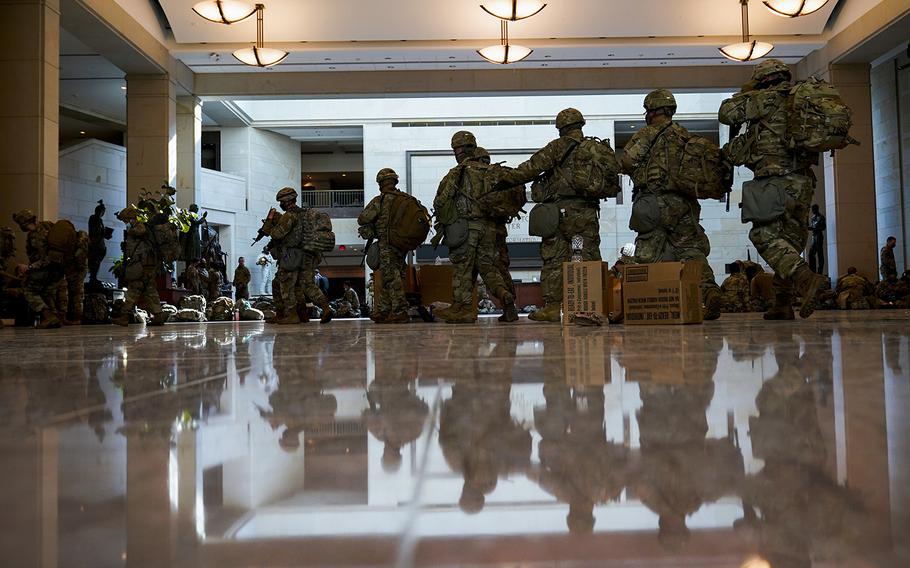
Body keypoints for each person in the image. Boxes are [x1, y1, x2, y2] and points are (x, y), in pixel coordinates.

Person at [719, 58, 825, 320]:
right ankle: (782, 302)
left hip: (775, 181)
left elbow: (726, 114)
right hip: (803, 182)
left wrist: (747, 89)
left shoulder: (764, 99)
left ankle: (804, 277)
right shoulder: (803, 99)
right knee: (788, 242)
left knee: (763, 236)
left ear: (764, 79)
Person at [621, 89, 723, 320]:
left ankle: (642, 304)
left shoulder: (646, 134)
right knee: (691, 251)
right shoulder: (686, 137)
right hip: (685, 204)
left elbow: (628, 160)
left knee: (646, 254)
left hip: (653, 203)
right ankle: (709, 291)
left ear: (650, 110)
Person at [497, 109, 604, 323]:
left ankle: (554, 307)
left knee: (554, 258)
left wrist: (505, 180)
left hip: (559, 213)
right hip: (586, 212)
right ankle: (591, 306)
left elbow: (531, 168)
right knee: (584, 254)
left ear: (561, 127)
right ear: (581, 125)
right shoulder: (597, 148)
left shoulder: (557, 147)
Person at [432, 131, 518, 324]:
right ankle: (506, 299)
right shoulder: (492, 172)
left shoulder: (458, 172)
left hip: (466, 230)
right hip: (490, 230)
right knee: (489, 269)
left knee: (463, 270)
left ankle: (462, 310)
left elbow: (440, 202)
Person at [268, 187, 334, 324]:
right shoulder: (304, 214)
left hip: (292, 255)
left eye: (281, 201)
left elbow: (277, 234)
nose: (280, 204)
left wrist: (270, 224)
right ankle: (322, 309)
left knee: (285, 282)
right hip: (308, 254)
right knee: (306, 285)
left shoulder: (290, 215)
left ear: (286, 201)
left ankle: (291, 315)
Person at [358, 168, 411, 323]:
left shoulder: (380, 200)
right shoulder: (406, 199)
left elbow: (363, 218)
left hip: (387, 244)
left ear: (381, 183)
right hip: (402, 245)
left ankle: (400, 311)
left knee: (390, 277)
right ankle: (384, 310)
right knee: (395, 276)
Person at [475, 147, 519, 319]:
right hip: (500, 229)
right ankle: (510, 306)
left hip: (481, 230)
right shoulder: (499, 174)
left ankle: (502, 294)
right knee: (502, 267)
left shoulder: (475, 176)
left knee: (486, 268)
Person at [112, 206, 165, 327]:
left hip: (142, 265)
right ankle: (158, 316)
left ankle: (124, 316)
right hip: (147, 265)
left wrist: (131, 229)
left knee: (133, 290)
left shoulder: (139, 227)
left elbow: (140, 232)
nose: (125, 223)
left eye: (126, 220)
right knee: (150, 291)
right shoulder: (138, 228)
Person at [13, 210, 65, 328]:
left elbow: (46, 259)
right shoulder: (45, 226)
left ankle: (48, 316)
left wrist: (29, 268)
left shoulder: (37, 235)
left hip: (48, 270)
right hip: (56, 270)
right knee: (46, 293)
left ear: (23, 223)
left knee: (29, 289)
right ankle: (55, 318)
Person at [57, 229, 89, 325]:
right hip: (78, 270)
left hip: (76, 270)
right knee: (77, 295)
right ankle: (75, 317)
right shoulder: (81, 242)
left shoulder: (79, 243)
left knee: (75, 295)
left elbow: (79, 259)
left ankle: (74, 317)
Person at [87, 200, 111, 286]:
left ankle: (94, 278)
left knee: (97, 262)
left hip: (100, 244)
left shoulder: (100, 220)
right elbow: (94, 231)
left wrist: (106, 234)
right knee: (94, 262)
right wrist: (103, 233)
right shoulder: (93, 218)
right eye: (102, 211)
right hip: (95, 244)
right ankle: (92, 278)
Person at [808, 204, 826, 275]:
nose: (813, 211)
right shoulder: (813, 218)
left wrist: (814, 229)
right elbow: (812, 226)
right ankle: (813, 270)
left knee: (820, 254)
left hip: (819, 236)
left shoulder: (821, 217)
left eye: (814, 209)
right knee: (811, 254)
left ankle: (820, 271)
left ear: (817, 209)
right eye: (812, 210)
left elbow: (823, 227)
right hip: (814, 236)